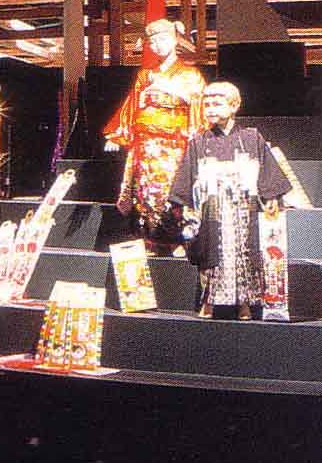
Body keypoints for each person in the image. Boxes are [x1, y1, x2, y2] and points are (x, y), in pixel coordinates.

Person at [169, 81, 294, 319]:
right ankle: (209, 301)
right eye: (207, 105)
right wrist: (182, 203)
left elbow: (267, 170)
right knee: (211, 254)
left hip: (245, 206)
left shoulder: (251, 137)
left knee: (246, 254)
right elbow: (186, 177)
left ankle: (244, 303)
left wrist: (271, 196)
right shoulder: (199, 142)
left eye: (217, 104)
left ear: (234, 105)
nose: (210, 109)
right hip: (213, 208)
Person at [102, 17, 207, 253]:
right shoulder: (145, 75)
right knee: (145, 192)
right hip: (146, 145)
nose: (157, 45)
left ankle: (179, 241)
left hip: (175, 145)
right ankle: (150, 240)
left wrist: (195, 138)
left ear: (175, 40)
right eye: (153, 41)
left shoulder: (191, 74)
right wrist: (118, 134)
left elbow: (198, 108)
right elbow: (132, 107)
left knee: (172, 191)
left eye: (163, 39)